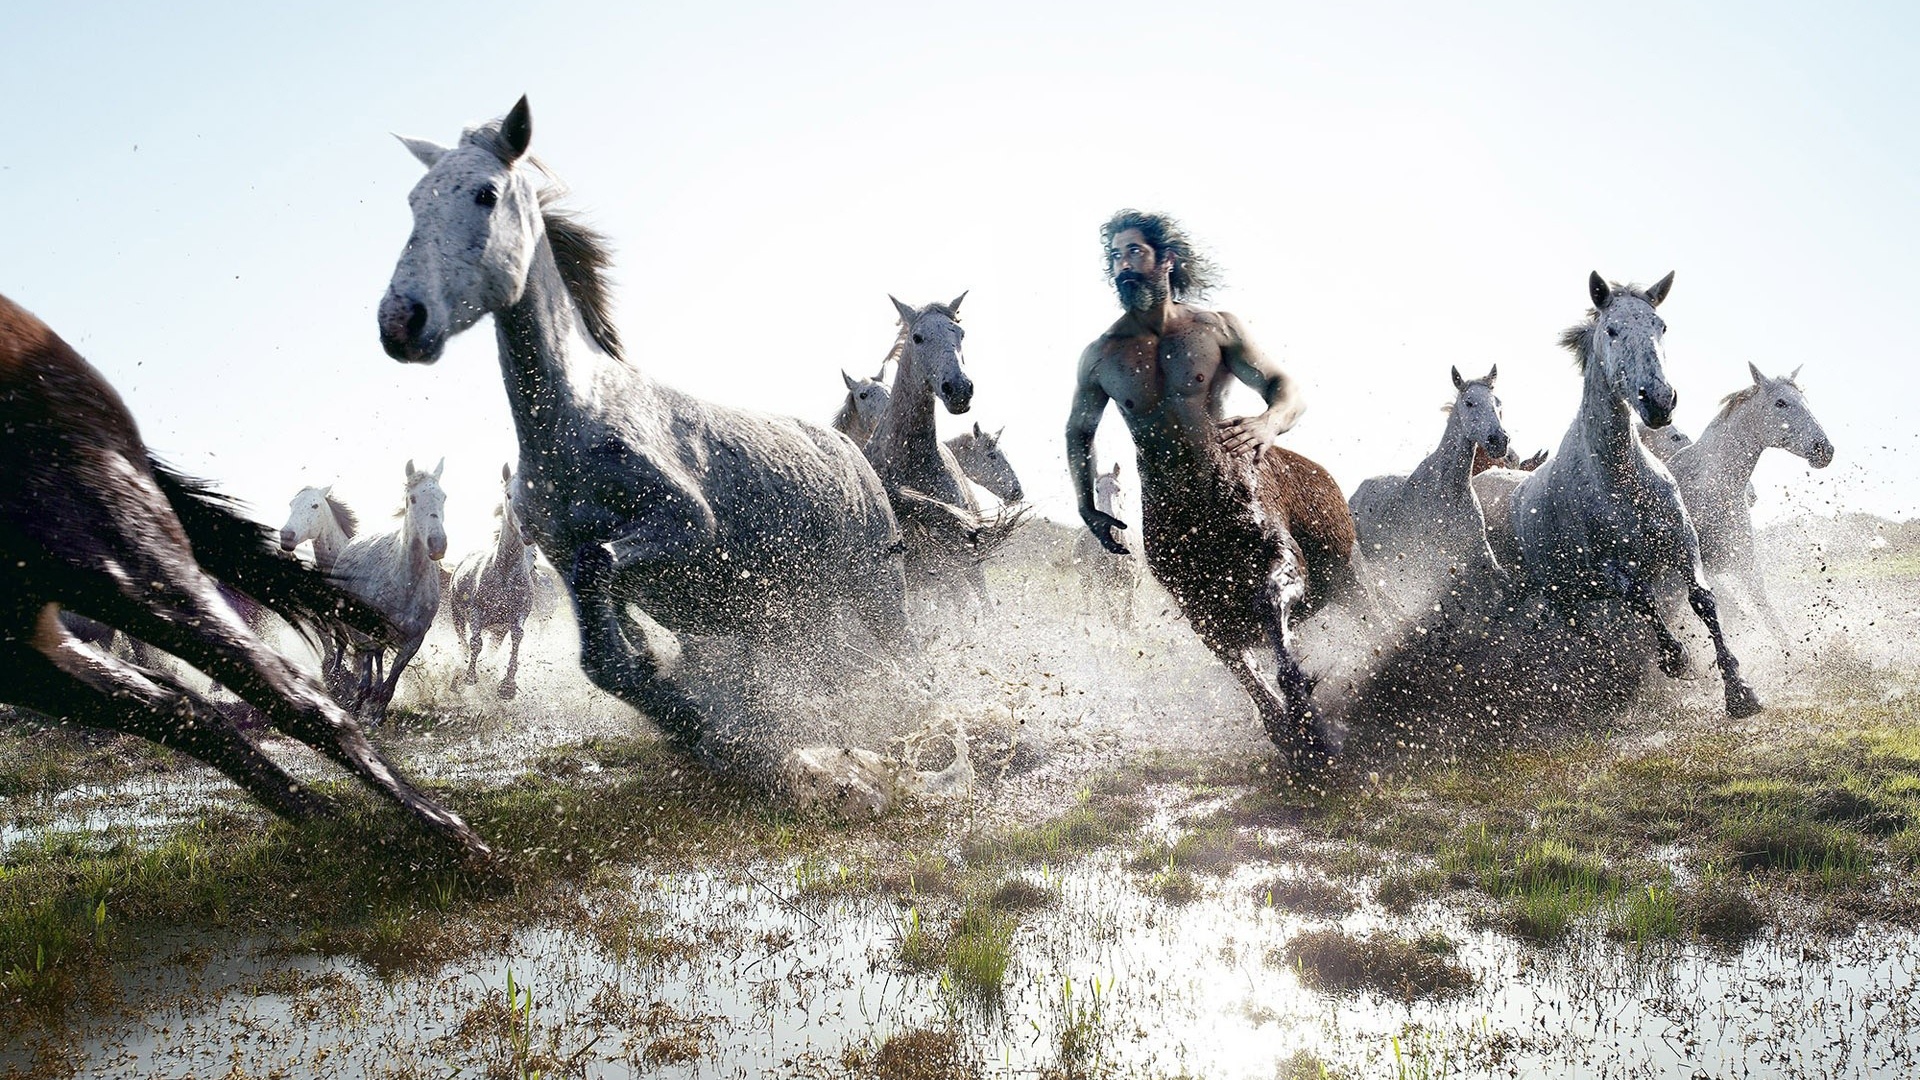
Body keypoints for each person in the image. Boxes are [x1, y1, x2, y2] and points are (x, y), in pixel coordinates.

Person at [1064, 209, 1368, 765]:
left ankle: (1287, 665)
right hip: (1166, 517)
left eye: (1134, 252)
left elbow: (1284, 384)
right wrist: (1085, 503)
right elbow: (1079, 431)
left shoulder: (1215, 329)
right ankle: (1266, 705)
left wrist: (1269, 422)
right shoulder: (1102, 356)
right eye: (1115, 257)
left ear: (1166, 260)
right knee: (1215, 629)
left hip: (1234, 486)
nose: (1123, 266)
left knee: (1277, 575)